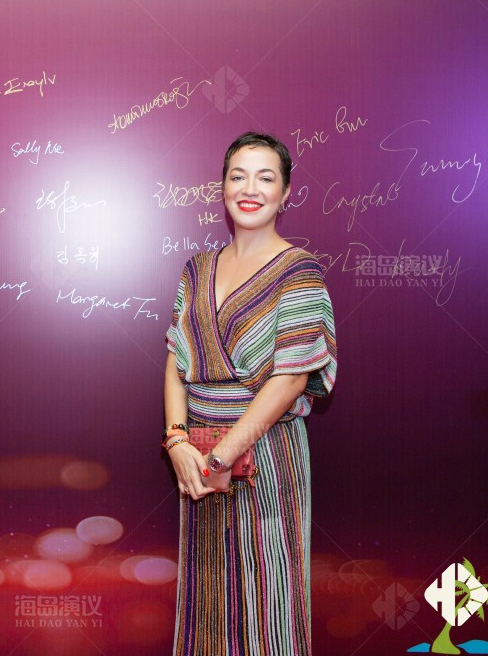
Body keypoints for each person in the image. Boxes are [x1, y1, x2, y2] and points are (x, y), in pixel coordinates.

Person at [163, 131, 336, 655]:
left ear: (285, 193)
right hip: (198, 458)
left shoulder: (300, 270)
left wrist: (223, 455)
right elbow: (176, 359)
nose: (250, 188)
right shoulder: (196, 269)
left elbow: (290, 378)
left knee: (268, 600)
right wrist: (177, 442)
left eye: (266, 178)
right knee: (207, 602)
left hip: (266, 456)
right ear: (222, 187)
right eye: (238, 176)